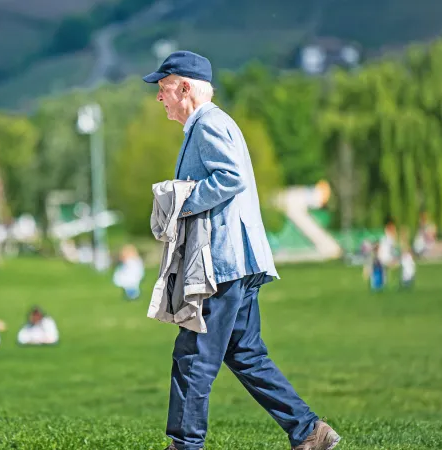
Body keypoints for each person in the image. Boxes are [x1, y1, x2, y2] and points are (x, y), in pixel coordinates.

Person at [143, 51, 340, 450]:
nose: (160, 99)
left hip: (222, 263)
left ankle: (184, 445)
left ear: (185, 88)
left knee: (193, 356)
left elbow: (229, 177)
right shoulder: (211, 123)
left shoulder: (208, 124)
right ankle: (309, 431)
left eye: (163, 90)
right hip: (240, 261)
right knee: (246, 354)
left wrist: (183, 199)